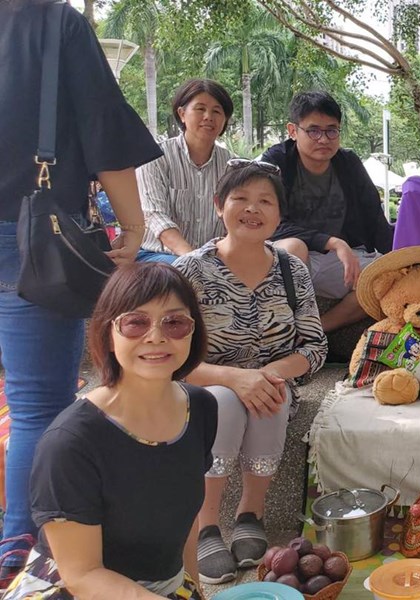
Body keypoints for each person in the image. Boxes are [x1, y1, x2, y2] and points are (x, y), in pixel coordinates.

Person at [0, 0, 162, 578]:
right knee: (38, 405)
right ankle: (22, 552)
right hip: (33, 241)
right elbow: (103, 128)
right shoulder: (54, 22)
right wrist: (133, 225)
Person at [1, 263, 213, 599]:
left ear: (193, 331)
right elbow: (82, 575)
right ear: (108, 334)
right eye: (135, 322)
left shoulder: (199, 407)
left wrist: (195, 587)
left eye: (174, 322)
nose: (156, 336)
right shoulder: (70, 443)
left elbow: (184, 518)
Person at [174, 160, 327, 584]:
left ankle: (250, 514)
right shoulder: (189, 271)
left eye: (265, 201)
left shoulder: (291, 269)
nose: (252, 209)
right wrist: (234, 378)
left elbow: (314, 347)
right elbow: (173, 356)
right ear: (219, 205)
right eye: (240, 199)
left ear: (279, 214)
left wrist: (264, 375)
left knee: (271, 394)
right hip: (204, 389)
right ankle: (207, 526)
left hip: (273, 389)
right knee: (224, 400)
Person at [263, 91, 394, 333]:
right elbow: (269, 223)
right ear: (293, 131)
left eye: (331, 130)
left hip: (343, 262)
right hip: (297, 258)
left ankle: (317, 330)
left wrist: (398, 261)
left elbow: (374, 219)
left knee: (387, 278)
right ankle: (279, 328)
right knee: (292, 248)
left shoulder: (349, 163)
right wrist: (332, 242)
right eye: (313, 131)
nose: (324, 139)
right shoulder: (276, 162)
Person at [136, 79, 236, 263]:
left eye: (217, 111)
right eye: (200, 109)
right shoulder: (155, 158)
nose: (208, 116)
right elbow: (155, 215)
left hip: (215, 258)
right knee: (182, 275)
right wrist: (194, 260)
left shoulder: (233, 166)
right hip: (159, 257)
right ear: (182, 113)